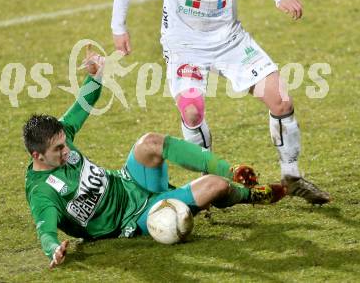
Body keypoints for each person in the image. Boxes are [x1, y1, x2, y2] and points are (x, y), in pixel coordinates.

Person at [111, 0, 330, 205]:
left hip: (231, 41)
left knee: (281, 100)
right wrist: (118, 29)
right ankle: (208, 183)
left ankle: (292, 177)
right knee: (191, 111)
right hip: (185, 47)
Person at [24, 48, 286, 269]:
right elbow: (45, 230)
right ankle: (250, 195)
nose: (66, 150)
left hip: (129, 181)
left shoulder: (58, 137)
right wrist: (53, 249)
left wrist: (96, 75)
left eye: (64, 144)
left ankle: (234, 170)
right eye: (58, 150)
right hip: (133, 218)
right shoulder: (41, 192)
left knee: (149, 141)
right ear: (37, 156)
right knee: (216, 186)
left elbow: (82, 105)